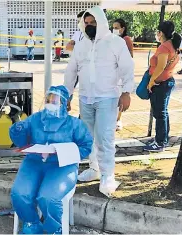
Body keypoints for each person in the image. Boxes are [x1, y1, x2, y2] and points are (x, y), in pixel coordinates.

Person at [64, 7, 134, 196]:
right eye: (86, 23)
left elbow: (127, 67)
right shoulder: (81, 45)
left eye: (92, 23)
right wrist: (67, 94)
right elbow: (71, 71)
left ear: (101, 22)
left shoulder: (115, 43)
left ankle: (107, 175)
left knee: (104, 137)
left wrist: (127, 92)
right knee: (88, 137)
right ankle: (94, 169)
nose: (88, 26)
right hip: (85, 97)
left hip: (108, 98)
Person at [10, 85, 93, 234]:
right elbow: (21, 141)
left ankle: (54, 229)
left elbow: (86, 146)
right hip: (34, 162)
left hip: (62, 165)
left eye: (55, 100)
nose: (51, 102)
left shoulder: (74, 124)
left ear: (65, 103)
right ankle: (31, 223)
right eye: (48, 99)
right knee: (20, 193)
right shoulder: (36, 119)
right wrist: (17, 130)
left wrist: (66, 152)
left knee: (48, 197)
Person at [144, 21, 182, 152]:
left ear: (161, 33)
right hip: (166, 81)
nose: (157, 34)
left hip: (161, 83)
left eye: (157, 32)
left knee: (160, 113)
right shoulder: (172, 45)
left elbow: (160, 66)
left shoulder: (164, 47)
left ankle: (160, 142)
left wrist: (151, 81)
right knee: (162, 112)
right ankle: (162, 137)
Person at [113, 18, 134, 131]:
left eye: (117, 28)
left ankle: (118, 119)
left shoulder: (126, 39)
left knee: (120, 96)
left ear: (123, 28)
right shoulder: (113, 40)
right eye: (113, 28)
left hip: (122, 74)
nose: (114, 30)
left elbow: (130, 56)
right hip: (114, 74)